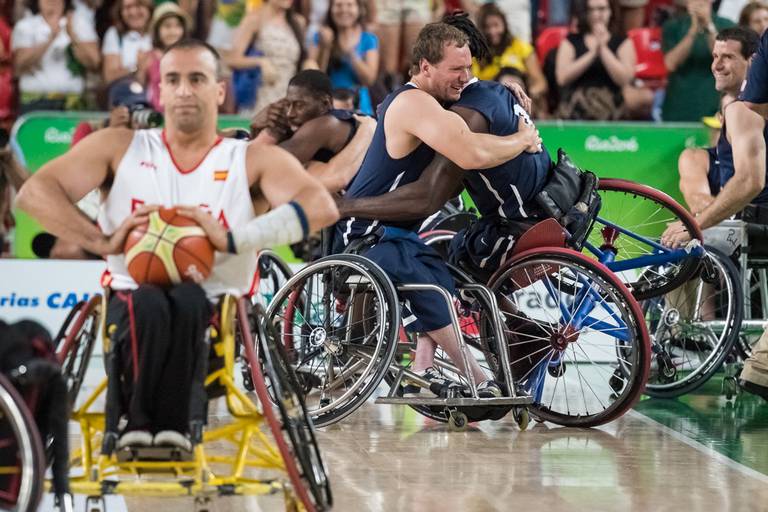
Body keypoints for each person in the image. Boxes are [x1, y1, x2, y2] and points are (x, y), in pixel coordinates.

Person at [16, 38, 339, 450]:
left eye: (197, 79)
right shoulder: (118, 147)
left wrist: (231, 239)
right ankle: (140, 423)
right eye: (173, 80)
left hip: (217, 314)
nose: (184, 89)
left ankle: (173, 425)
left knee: (188, 298)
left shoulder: (250, 159)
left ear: (219, 90)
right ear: (160, 91)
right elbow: (35, 193)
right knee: (148, 300)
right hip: (130, 305)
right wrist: (102, 239)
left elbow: (320, 206)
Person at [333, 19, 541, 398]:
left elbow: (471, 105)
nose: (465, 77)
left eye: (469, 68)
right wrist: (522, 138)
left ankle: (422, 368)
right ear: (425, 67)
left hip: (396, 230)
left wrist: (504, 90)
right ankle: (479, 380)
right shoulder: (412, 102)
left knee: (447, 271)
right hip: (365, 232)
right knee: (427, 282)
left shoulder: (437, 100)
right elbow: (470, 152)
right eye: (456, 69)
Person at [674, 27, 761, 220]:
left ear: (752, 61)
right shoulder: (697, 158)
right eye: (715, 56)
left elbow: (750, 182)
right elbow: (698, 202)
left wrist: (700, 222)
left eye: (728, 57)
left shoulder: (752, 110)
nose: (716, 65)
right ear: (720, 118)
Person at [251, 69, 375, 192]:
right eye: (288, 104)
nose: (290, 113)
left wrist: (272, 131)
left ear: (325, 103)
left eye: (299, 105)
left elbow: (268, 164)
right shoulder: (318, 122)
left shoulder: (325, 125)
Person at [11, 0, 101, 113]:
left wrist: (72, 36)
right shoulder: (25, 26)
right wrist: (51, 37)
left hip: (73, 103)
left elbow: (94, 63)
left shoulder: (79, 23)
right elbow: (19, 66)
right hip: (35, 103)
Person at [554, 0, 637, 120]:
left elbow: (625, 79)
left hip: (612, 105)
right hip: (576, 104)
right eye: (591, 10)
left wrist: (603, 49)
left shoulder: (623, 41)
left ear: (611, 11)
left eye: (601, 9)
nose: (596, 14)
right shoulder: (571, 41)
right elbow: (562, 78)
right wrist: (592, 54)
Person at [228, 0, 307, 114]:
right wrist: (260, 62)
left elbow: (302, 57)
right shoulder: (254, 19)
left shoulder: (298, 21)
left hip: (288, 95)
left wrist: (309, 62)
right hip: (261, 95)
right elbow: (232, 60)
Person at [662, 0, 735, 121]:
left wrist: (708, 25)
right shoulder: (673, 26)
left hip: (714, 101)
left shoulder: (727, 25)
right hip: (678, 104)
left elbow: (726, 61)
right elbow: (670, 64)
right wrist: (693, 30)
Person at [473, 3, 547, 112]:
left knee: (510, 79)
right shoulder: (476, 54)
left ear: (504, 24)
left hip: (522, 99)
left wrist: (530, 93)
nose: (493, 31)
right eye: (488, 27)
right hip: (489, 102)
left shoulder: (520, 46)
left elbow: (540, 83)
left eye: (496, 25)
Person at [309, 0, 379, 115]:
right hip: (328, 106)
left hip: (359, 107)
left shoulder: (368, 38)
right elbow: (314, 79)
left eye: (349, 5)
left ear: (358, 9)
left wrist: (351, 53)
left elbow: (369, 80)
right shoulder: (319, 36)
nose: (344, 10)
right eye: (338, 5)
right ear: (331, 9)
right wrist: (325, 47)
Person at [138, 2, 191, 112]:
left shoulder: (189, 55)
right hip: (156, 114)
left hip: (182, 112)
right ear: (157, 30)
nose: (173, 31)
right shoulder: (149, 57)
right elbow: (140, 86)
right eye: (167, 26)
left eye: (178, 26)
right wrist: (140, 68)